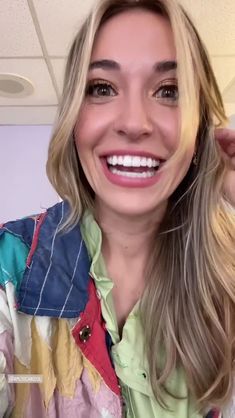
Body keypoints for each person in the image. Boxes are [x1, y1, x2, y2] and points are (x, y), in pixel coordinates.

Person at [0, 0, 235, 417]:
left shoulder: (226, 274)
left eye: (169, 91)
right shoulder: (9, 265)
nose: (134, 122)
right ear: (74, 119)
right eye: (102, 88)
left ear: (200, 129)